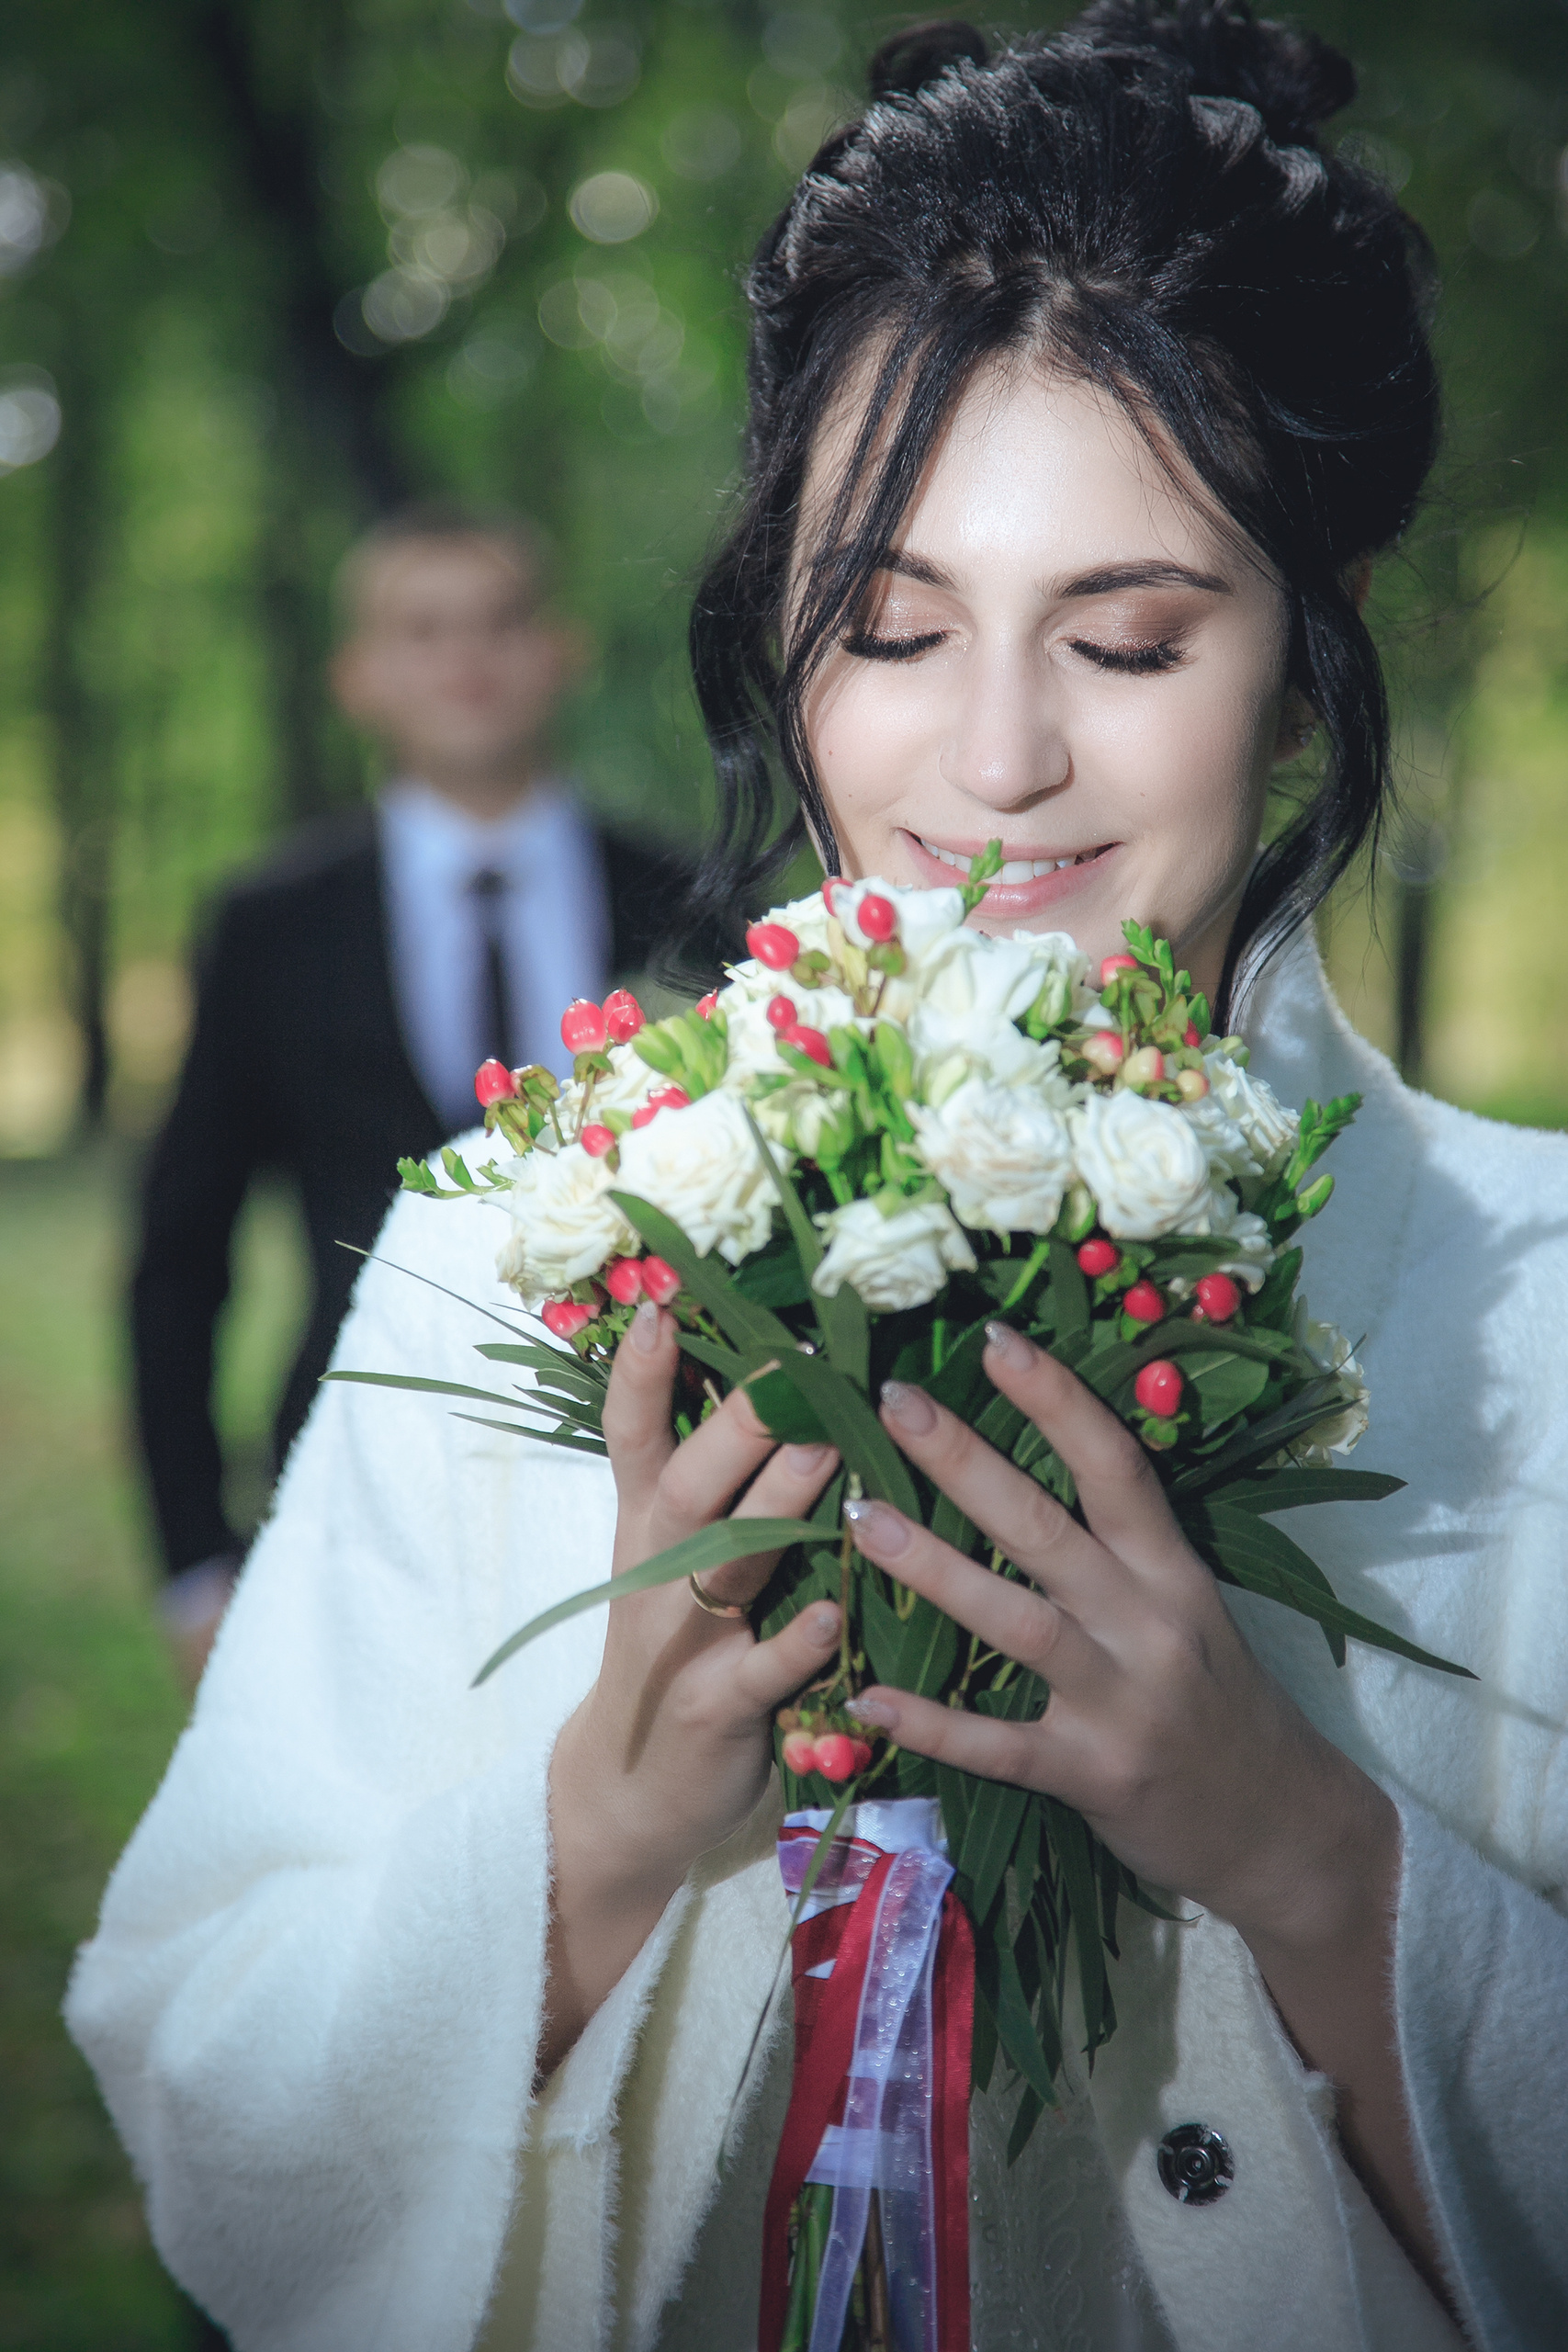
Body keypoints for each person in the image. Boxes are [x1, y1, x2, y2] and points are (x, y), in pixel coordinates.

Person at [70, 9, 1568, 2350]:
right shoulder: (507, 1245)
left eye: (1129, 633)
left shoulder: (1535, 1299)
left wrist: (1301, 1853)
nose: (992, 759)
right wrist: (588, 1835)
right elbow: (200, 2090)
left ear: (1308, 650)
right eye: (886, 626)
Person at [131, 503, 716, 1688]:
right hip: (347, 1488)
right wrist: (194, 1558)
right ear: (358, 675)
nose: (467, 659)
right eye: (423, 628)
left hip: (650, 1500)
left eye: (501, 621)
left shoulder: (691, 904)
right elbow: (181, 1253)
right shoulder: (272, 928)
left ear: (565, 649)